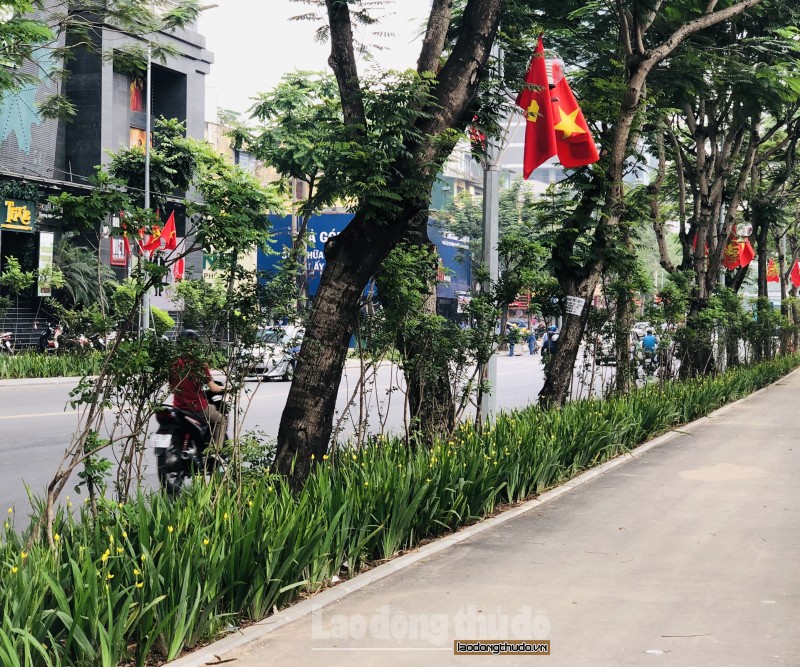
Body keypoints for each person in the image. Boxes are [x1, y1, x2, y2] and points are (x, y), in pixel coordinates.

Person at [169, 329, 227, 450]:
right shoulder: (199, 364)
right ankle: (215, 453)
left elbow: (172, 388)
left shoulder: (173, 364)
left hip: (178, 407)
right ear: (195, 345)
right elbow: (214, 388)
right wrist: (227, 389)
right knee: (221, 420)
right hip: (197, 408)